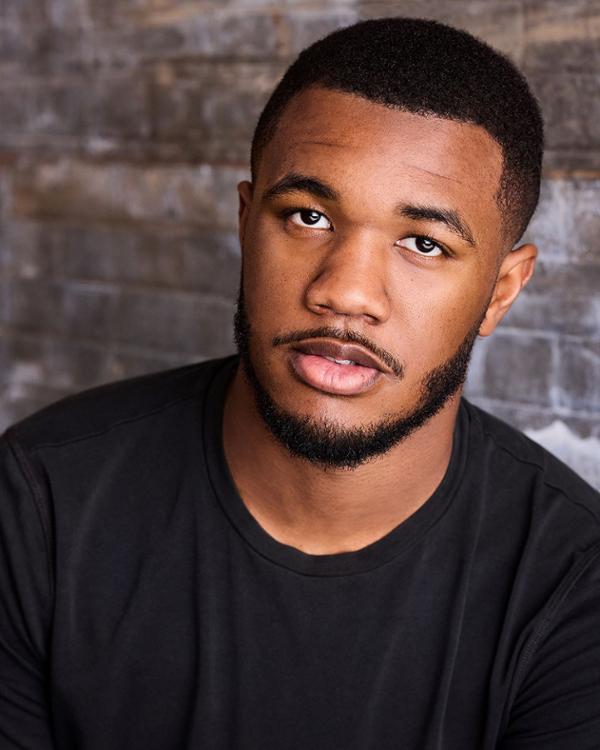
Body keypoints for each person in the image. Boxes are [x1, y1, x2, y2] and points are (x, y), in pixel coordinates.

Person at [1, 17, 599, 750]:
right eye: (309, 216)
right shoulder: (39, 506)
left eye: (423, 243)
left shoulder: (574, 588)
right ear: (248, 222)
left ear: (501, 292)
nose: (346, 293)